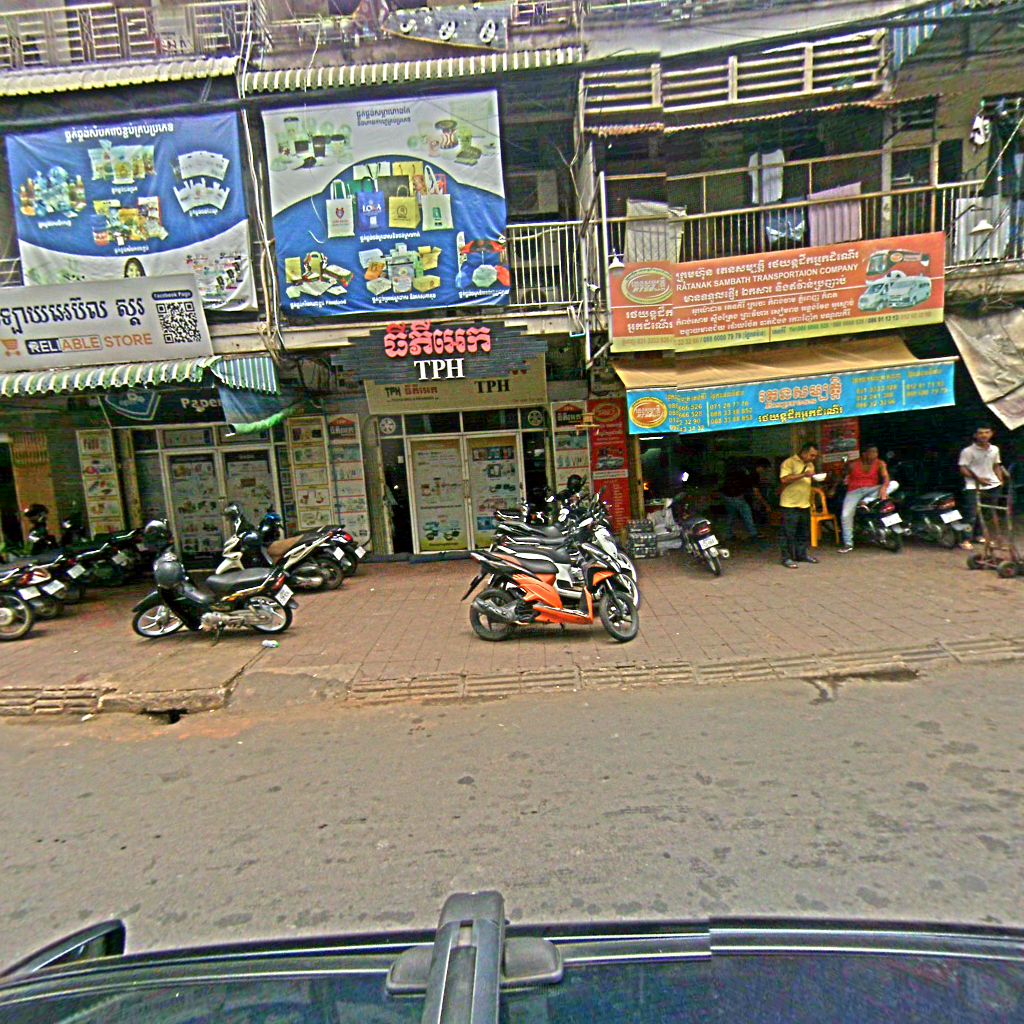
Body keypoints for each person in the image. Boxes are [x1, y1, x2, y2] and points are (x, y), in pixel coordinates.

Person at [959, 426, 1008, 550]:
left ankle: (979, 535)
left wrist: (1000, 479)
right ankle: (965, 539)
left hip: (993, 485)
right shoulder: (968, 451)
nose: (984, 435)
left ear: (991, 434)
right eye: (980, 433)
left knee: (987, 513)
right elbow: (963, 468)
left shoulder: (994, 449)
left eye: (987, 432)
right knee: (971, 514)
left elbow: (996, 465)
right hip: (973, 486)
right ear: (975, 435)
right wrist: (978, 479)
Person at [838, 445, 890, 553]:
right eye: (872, 452)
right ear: (864, 454)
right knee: (846, 515)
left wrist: (884, 488)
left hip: (872, 490)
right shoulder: (853, 464)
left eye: (876, 452)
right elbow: (842, 476)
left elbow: (886, 477)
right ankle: (848, 543)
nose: (875, 455)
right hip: (854, 491)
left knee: (894, 484)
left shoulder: (880, 463)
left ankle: (866, 501)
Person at [778, 441, 819, 568]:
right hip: (789, 504)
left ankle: (801, 555)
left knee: (803, 532)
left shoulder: (810, 465)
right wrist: (803, 475)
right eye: (811, 455)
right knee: (788, 533)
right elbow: (784, 479)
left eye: (815, 456)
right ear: (804, 453)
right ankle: (787, 558)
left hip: (804, 503)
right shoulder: (789, 462)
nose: (813, 458)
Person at [720, 460, 768, 541]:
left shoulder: (743, 469)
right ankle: (753, 534)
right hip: (736, 495)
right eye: (764, 470)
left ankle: (728, 534)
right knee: (747, 513)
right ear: (761, 467)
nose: (764, 472)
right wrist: (766, 505)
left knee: (731, 515)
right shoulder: (754, 474)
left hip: (725, 494)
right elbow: (756, 492)